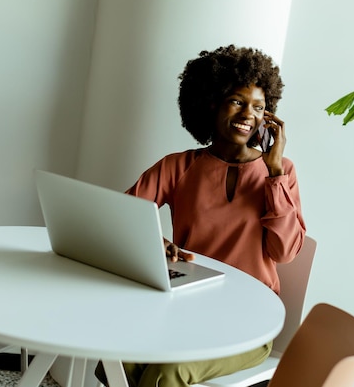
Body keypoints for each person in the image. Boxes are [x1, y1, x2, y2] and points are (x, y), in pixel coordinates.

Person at [96, 44, 306, 387]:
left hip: (250, 321)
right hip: (183, 309)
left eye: (259, 107)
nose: (248, 114)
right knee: (116, 358)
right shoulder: (178, 166)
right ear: (212, 102)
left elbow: (284, 252)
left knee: (167, 374)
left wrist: (274, 174)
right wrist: (157, 241)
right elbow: (119, 219)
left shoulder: (282, 173)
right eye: (237, 101)